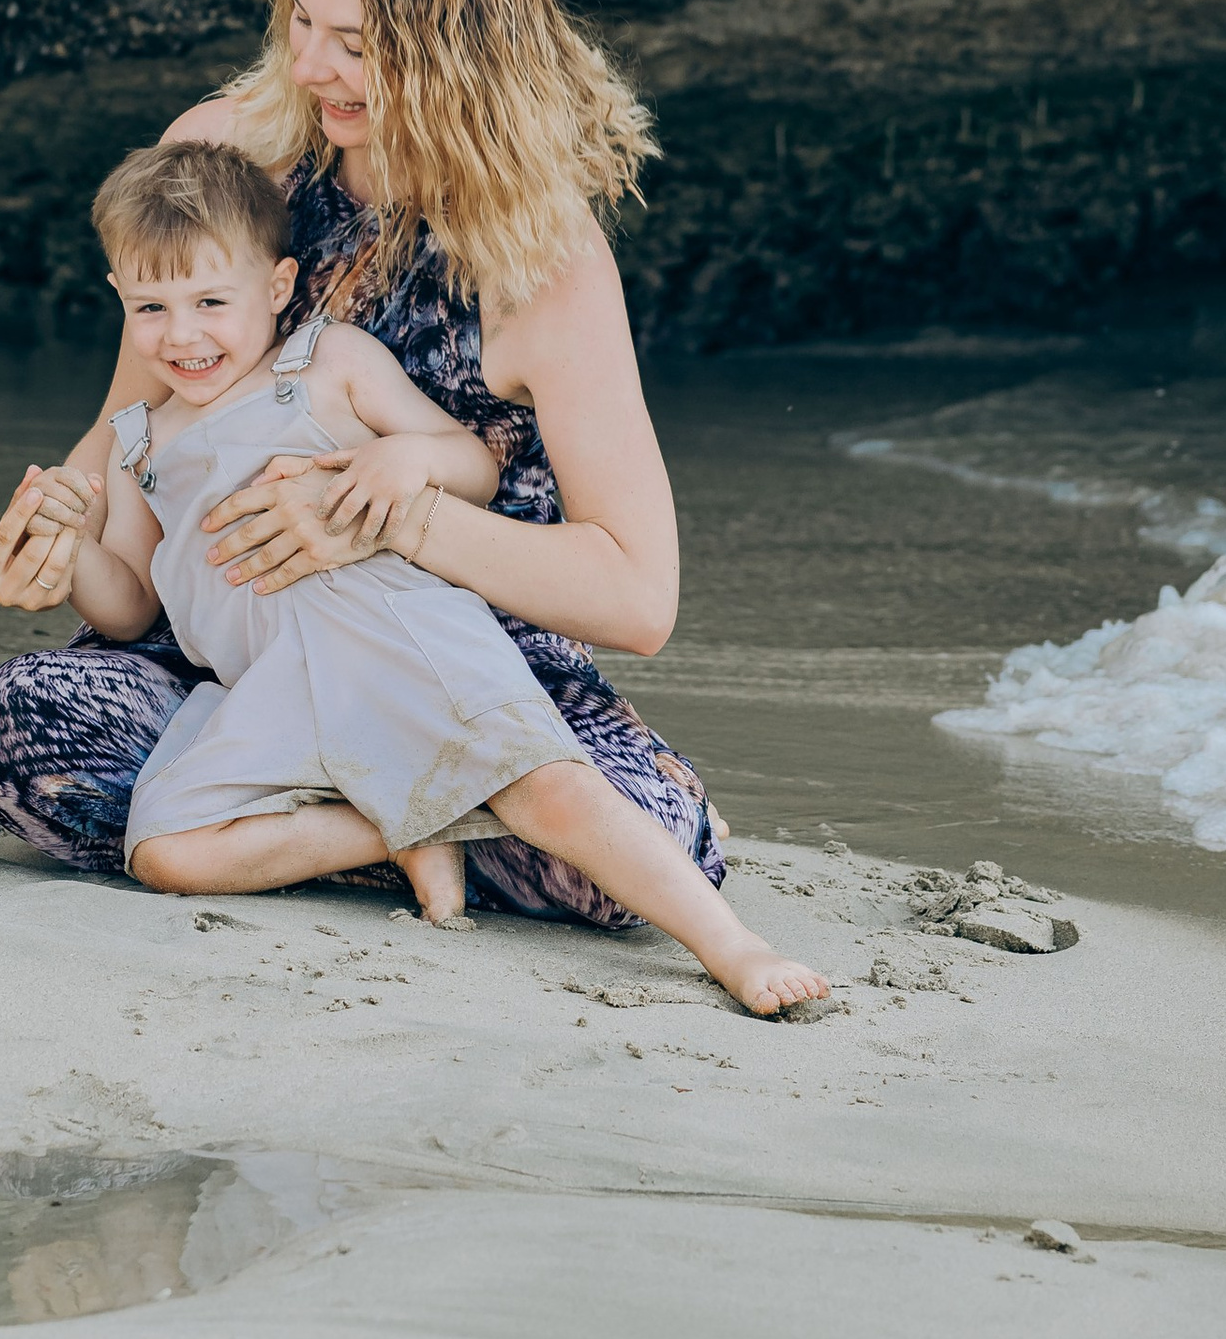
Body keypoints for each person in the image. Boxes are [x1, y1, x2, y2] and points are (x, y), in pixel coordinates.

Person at [0, 0, 797, 978]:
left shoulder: (539, 260)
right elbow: (131, 417)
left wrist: (387, 519)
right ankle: (421, 825)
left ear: (454, 51)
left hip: (445, 659)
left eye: (353, 43)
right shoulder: (230, 150)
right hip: (225, 658)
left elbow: (636, 597)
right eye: (301, 21)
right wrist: (54, 535)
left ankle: (394, 811)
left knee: (650, 847)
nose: (309, 66)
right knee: (17, 728)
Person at [62, 140, 824, 1009]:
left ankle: (733, 947)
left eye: (210, 301)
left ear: (276, 289)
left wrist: (399, 464)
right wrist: (74, 555)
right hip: (270, 688)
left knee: (552, 792)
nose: (183, 333)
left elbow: (473, 463)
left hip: (401, 638)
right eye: (151, 306)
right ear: (118, 298)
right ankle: (394, 828)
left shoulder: (327, 365)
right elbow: (126, 608)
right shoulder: (138, 446)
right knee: (164, 850)